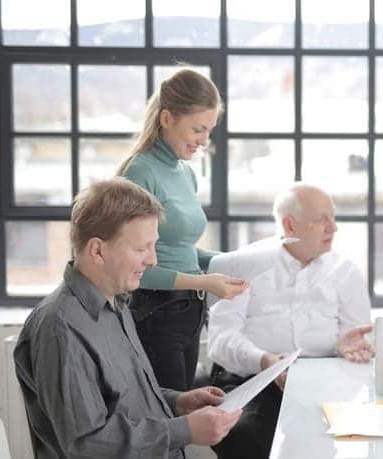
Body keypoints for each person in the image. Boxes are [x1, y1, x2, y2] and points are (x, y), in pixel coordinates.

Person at [14, 178, 242, 458]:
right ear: (98, 251)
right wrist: (184, 430)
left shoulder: (118, 302)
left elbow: (121, 399)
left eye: (153, 247)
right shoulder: (60, 328)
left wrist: (177, 402)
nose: (153, 260)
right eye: (141, 249)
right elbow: (87, 444)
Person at [207, 183, 373, 459]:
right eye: (321, 220)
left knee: (336, 439)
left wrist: (343, 346)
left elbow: (358, 338)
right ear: (289, 224)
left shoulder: (345, 271)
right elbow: (220, 340)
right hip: (254, 380)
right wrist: (266, 361)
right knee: (243, 435)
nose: (333, 228)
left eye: (333, 218)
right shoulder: (245, 264)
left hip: (322, 381)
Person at [118, 68, 247, 391]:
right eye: (197, 129)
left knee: (186, 410)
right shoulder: (140, 173)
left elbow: (180, 250)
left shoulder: (185, 173)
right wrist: (204, 281)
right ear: (166, 118)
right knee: (171, 414)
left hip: (189, 313)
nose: (204, 140)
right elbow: (133, 269)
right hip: (156, 313)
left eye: (209, 130)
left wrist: (235, 262)